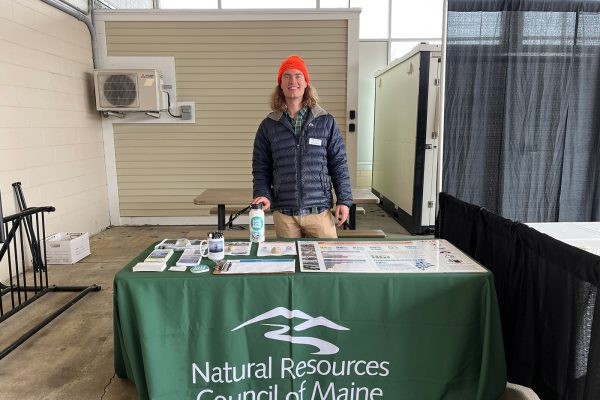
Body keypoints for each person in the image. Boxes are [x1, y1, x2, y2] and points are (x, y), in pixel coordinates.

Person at [251, 55, 353, 238]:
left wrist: (344, 200)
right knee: (289, 264)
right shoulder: (268, 126)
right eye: (287, 76)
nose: (293, 81)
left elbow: (339, 164)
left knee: (328, 262)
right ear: (280, 84)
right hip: (285, 214)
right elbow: (261, 167)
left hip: (320, 212)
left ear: (306, 83)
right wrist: (263, 193)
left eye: (298, 76)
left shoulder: (326, 121)